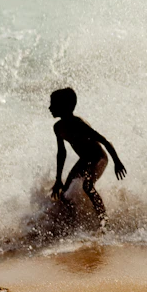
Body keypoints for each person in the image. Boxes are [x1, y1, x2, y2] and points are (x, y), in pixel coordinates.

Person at [49, 87, 127, 227]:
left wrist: (117, 162)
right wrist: (58, 179)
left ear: (64, 106)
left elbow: (104, 141)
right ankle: (74, 223)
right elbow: (62, 153)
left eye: (53, 104)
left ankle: (104, 221)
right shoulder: (58, 127)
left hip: (99, 158)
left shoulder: (79, 124)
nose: (49, 107)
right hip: (84, 160)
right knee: (64, 194)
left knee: (87, 185)